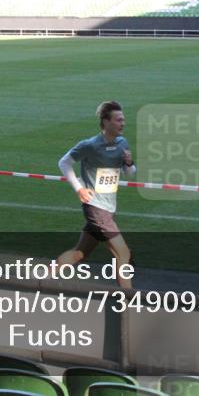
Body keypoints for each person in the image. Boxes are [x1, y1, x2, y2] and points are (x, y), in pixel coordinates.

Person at [56, 100, 135, 289]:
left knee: (79, 254)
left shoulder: (122, 143)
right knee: (123, 254)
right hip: (96, 208)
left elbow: (130, 174)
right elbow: (64, 163)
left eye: (123, 119)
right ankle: (129, 303)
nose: (123, 123)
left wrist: (130, 163)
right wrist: (79, 188)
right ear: (106, 122)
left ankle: (41, 279)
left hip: (108, 208)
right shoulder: (90, 145)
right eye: (118, 120)